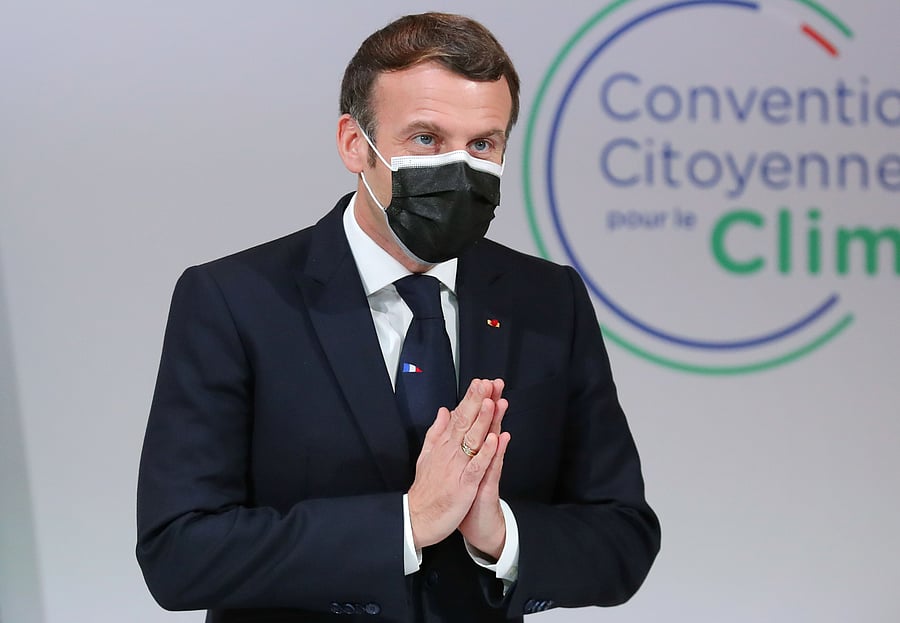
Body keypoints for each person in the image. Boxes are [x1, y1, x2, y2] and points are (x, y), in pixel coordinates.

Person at [136, 12, 660, 622]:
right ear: (354, 144)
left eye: (483, 144)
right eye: (426, 139)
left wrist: (501, 535)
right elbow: (180, 554)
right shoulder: (234, 300)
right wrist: (405, 524)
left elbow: (623, 538)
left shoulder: (548, 300)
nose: (459, 168)